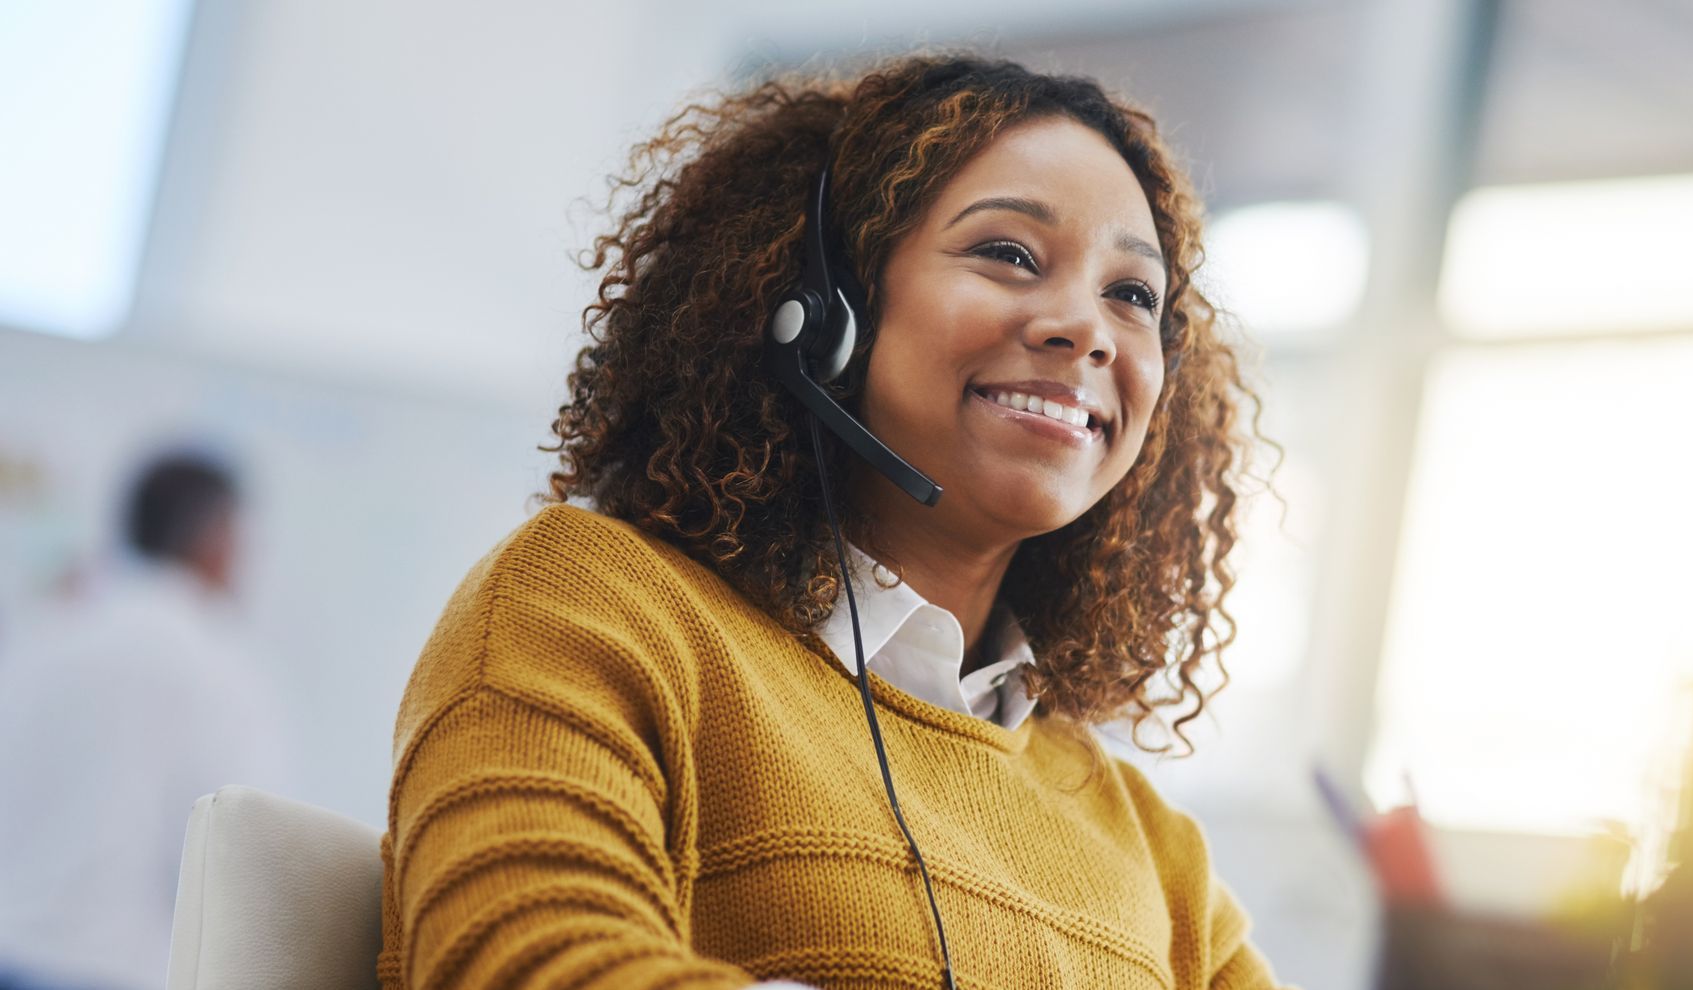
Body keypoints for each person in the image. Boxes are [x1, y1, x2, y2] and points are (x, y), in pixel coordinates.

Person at [379, 54, 1280, 989]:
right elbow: (523, 965)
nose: (1085, 328)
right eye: (1008, 254)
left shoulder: (1147, 840)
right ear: (821, 310)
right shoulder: (593, 605)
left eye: (1131, 296)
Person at [0, 451, 290, 990]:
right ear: (219, 539)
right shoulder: (219, 663)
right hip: (116, 970)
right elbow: (241, 859)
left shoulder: (47, 629)